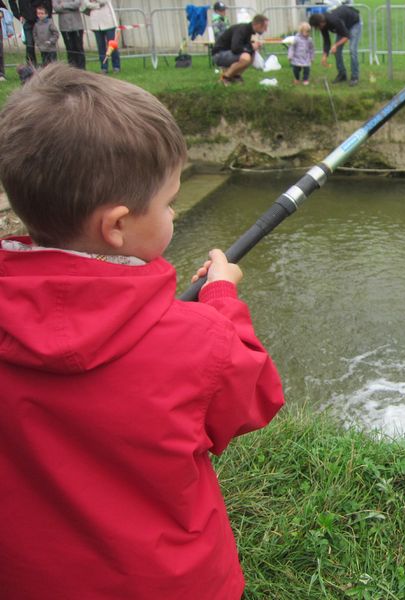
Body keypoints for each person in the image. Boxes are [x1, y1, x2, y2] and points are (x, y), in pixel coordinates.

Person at [0, 63, 285, 599]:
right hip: (167, 583)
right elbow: (256, 398)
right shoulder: (198, 342)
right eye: (169, 202)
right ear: (116, 226)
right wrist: (221, 300)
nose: (174, 212)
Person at [309, 4, 361, 86]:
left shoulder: (334, 21)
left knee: (352, 50)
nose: (317, 29)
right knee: (337, 51)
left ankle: (355, 77)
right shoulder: (323, 24)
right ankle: (342, 74)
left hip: (354, 22)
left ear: (321, 23)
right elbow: (326, 41)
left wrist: (335, 45)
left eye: (317, 27)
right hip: (343, 25)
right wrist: (325, 55)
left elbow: (347, 36)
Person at [211, 13, 268, 85]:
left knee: (252, 54)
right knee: (246, 57)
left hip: (227, 53)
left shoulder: (248, 30)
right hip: (219, 54)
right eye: (265, 27)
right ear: (258, 25)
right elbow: (235, 48)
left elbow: (242, 47)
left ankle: (235, 75)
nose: (266, 30)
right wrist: (251, 47)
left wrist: (253, 47)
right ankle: (225, 77)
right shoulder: (242, 29)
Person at [9, 0, 52, 66]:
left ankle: (47, 67)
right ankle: (31, 68)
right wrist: (17, 14)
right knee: (30, 46)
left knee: (44, 44)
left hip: (41, 18)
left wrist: (48, 14)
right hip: (27, 19)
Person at [84, 0, 119, 73]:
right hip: (96, 24)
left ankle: (116, 66)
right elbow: (87, 4)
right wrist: (98, 5)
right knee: (101, 47)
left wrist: (95, 3)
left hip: (108, 22)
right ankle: (104, 67)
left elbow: (104, 1)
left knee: (112, 46)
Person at [52, 0, 84, 69]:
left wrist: (63, 5)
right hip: (65, 27)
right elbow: (56, 8)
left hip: (77, 26)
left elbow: (77, 4)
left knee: (79, 48)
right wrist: (71, 6)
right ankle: (72, 69)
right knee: (70, 49)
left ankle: (82, 69)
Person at [288, 21, 314, 85]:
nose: (308, 33)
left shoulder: (309, 40)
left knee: (306, 69)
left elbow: (311, 49)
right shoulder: (296, 39)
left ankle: (305, 79)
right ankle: (297, 79)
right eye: (307, 32)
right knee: (296, 69)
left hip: (306, 57)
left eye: (309, 32)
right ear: (301, 31)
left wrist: (312, 57)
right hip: (297, 57)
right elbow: (292, 47)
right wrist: (290, 55)